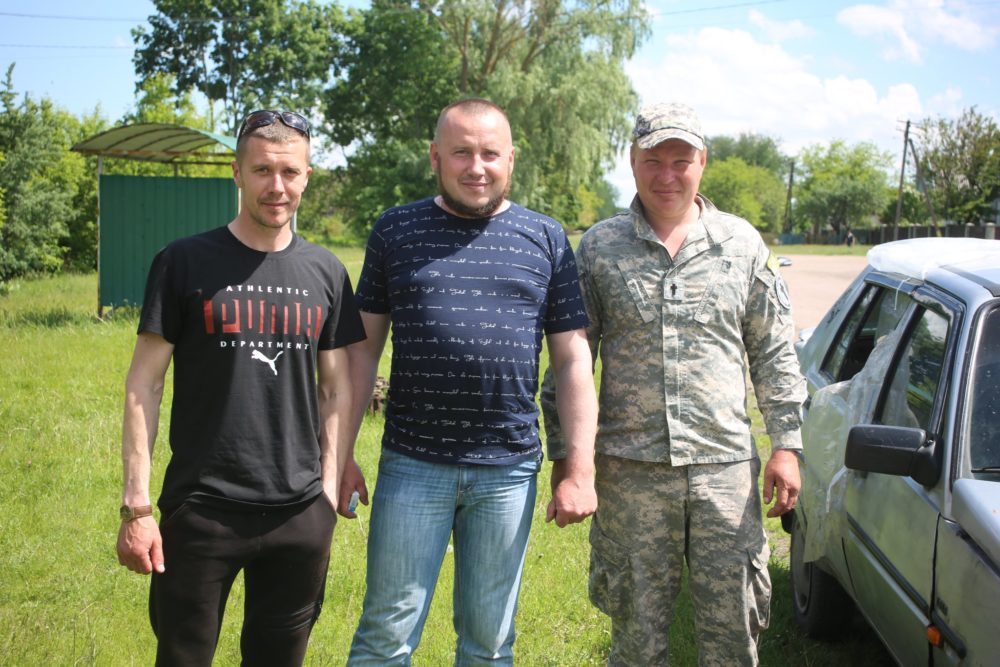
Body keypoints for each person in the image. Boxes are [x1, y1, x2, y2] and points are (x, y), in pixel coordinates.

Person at [540, 102, 807, 666]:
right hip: (630, 471)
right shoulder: (599, 248)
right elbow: (569, 360)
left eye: (680, 160)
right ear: (632, 163)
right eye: (652, 160)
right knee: (636, 634)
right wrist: (566, 459)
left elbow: (774, 350)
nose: (667, 175)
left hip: (723, 470)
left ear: (702, 162)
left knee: (734, 626)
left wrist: (786, 443)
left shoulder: (740, 245)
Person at [341, 98, 599, 666]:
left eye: (489, 154)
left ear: (511, 159)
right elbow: (361, 353)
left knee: (489, 642)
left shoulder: (546, 238)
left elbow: (574, 359)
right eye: (461, 152)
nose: (475, 167)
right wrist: (336, 454)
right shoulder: (395, 230)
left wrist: (578, 469)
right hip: (413, 464)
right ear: (436, 157)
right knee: (385, 635)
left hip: (507, 470)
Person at [115, 109, 366, 666]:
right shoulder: (183, 261)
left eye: (291, 173)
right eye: (262, 170)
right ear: (236, 172)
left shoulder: (326, 272)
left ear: (306, 177)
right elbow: (144, 385)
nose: (277, 187)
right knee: (182, 658)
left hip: (299, 512)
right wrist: (137, 507)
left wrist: (325, 493)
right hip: (202, 510)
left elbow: (336, 390)